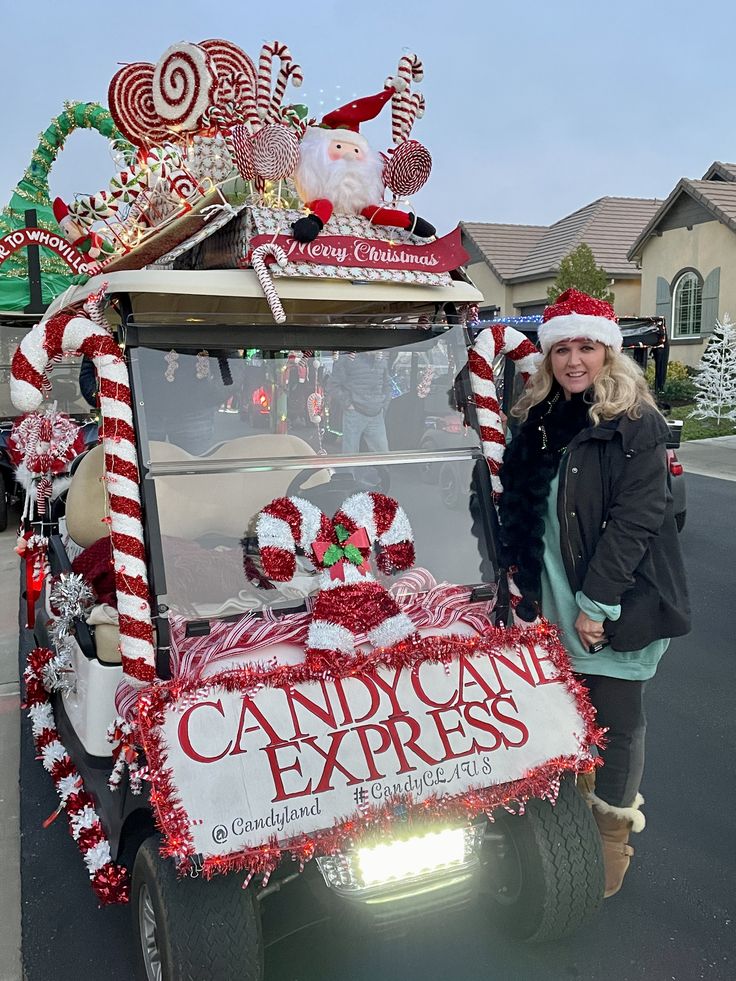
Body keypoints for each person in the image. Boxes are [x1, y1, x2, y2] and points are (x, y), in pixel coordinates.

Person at [498, 288, 690, 898]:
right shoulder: (538, 421)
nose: (574, 361)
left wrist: (596, 605)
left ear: (609, 352)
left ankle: (610, 837)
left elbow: (637, 520)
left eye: (587, 347)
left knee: (618, 721)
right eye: (563, 349)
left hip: (614, 601)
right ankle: (562, 833)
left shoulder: (635, 423)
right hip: (549, 595)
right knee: (560, 717)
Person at [328, 351, 392, 454]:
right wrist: (348, 404)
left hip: (376, 414)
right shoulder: (348, 359)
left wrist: (383, 404)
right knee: (350, 455)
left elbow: (387, 385)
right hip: (354, 414)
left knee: (383, 455)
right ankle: (349, 471)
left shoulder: (381, 360)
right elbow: (333, 385)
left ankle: (384, 470)